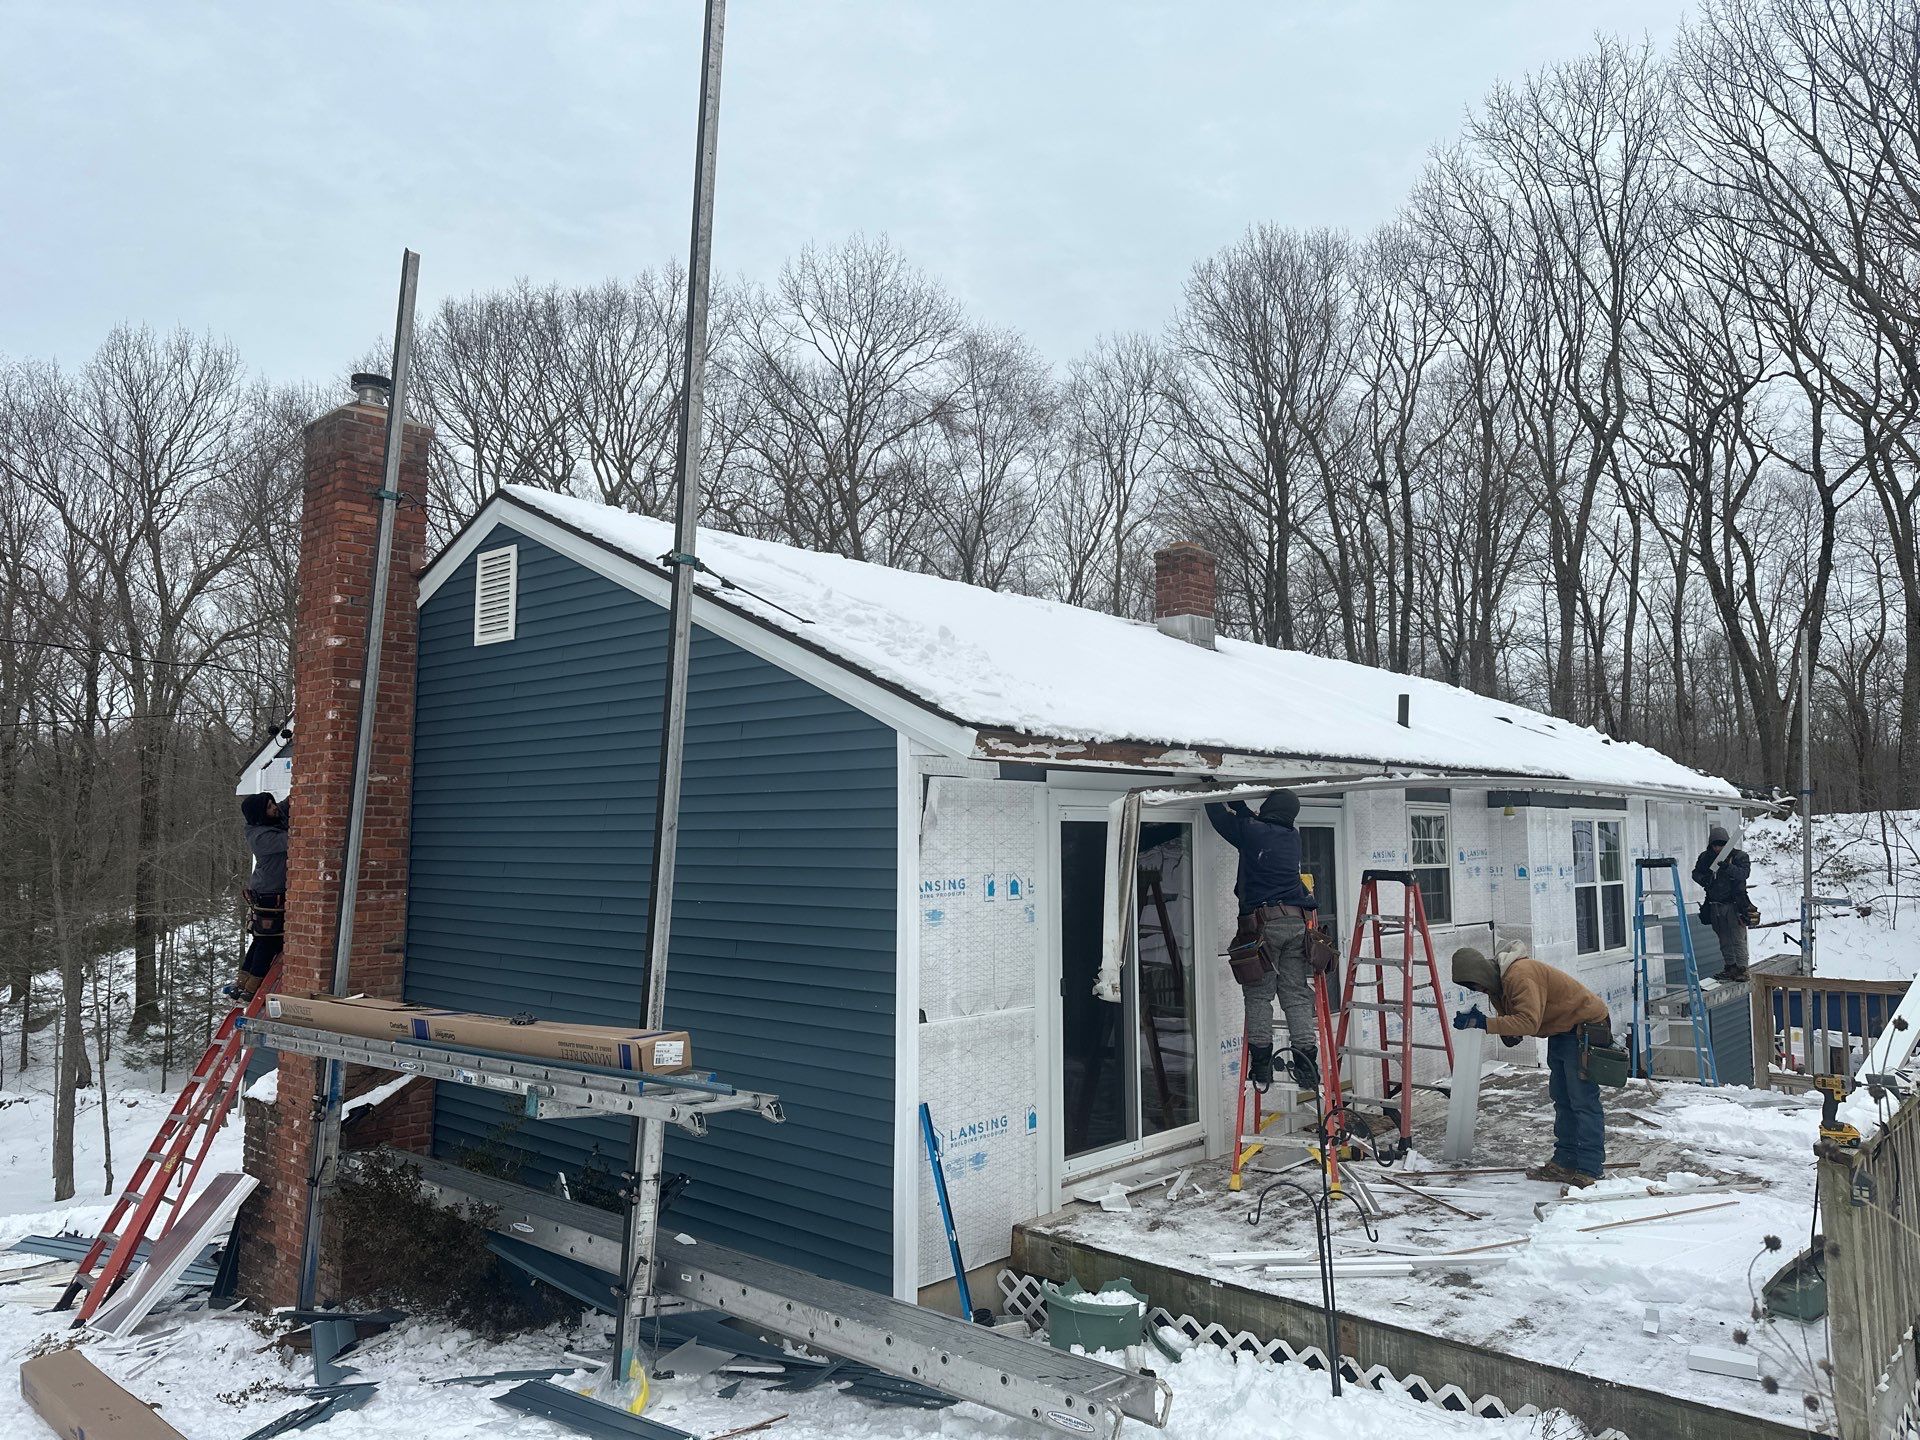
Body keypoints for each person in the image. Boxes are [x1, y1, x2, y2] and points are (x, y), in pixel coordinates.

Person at [1452, 941, 1612, 1188]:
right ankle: (1565, 1161)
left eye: (1477, 985)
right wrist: (1503, 1028)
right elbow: (1515, 1023)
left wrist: (1486, 1023)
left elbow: (1528, 1022)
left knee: (1582, 1099)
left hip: (1585, 1027)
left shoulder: (1520, 976)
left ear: (1483, 974)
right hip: (1562, 1028)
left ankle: (1590, 1169)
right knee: (1562, 1097)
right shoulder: (1498, 987)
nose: (1480, 991)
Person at [1206, 789, 1319, 1092]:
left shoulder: (1253, 833)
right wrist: (1240, 803)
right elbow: (1250, 823)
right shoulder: (1291, 836)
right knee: (1295, 995)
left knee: (1259, 996)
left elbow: (1219, 818)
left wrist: (1209, 791)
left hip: (1263, 927)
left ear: (1270, 808)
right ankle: (1308, 1067)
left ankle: (1261, 1067)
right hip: (1296, 925)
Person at [226, 792, 289, 1001]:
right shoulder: (261, 837)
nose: (274, 808)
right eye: (269, 807)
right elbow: (295, 838)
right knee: (269, 942)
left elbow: (283, 806)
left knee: (260, 940)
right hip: (269, 894)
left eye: (272, 804)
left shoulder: (266, 822)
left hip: (268, 892)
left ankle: (242, 983)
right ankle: (252, 987)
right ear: (260, 814)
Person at [1692, 824, 1753, 982]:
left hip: (1735, 903)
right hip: (1714, 904)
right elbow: (1696, 873)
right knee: (1723, 938)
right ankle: (1730, 967)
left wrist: (1728, 867)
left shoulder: (1740, 856)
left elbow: (1743, 874)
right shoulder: (1705, 857)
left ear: (1727, 844)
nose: (1718, 848)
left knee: (1738, 938)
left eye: (1721, 845)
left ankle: (1742, 969)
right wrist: (1703, 879)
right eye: (1715, 845)